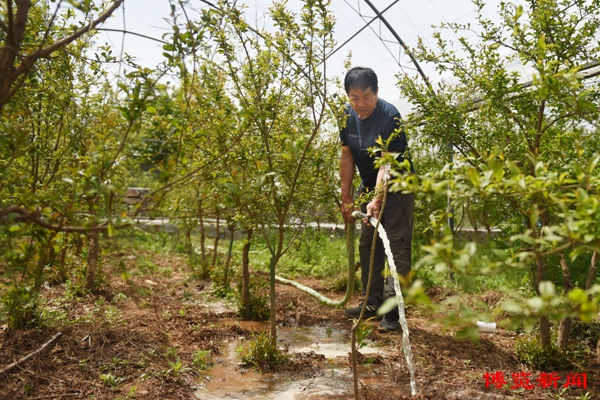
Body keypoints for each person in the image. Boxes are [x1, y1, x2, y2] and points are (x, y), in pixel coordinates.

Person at [339, 67, 415, 333]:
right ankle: (372, 304)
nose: (360, 104)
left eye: (366, 97)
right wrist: (346, 196)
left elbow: (387, 165)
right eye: (354, 97)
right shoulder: (346, 116)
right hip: (369, 186)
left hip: (398, 188)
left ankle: (394, 312)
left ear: (377, 92)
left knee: (396, 247)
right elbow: (347, 156)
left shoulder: (389, 117)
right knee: (368, 244)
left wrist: (378, 199)